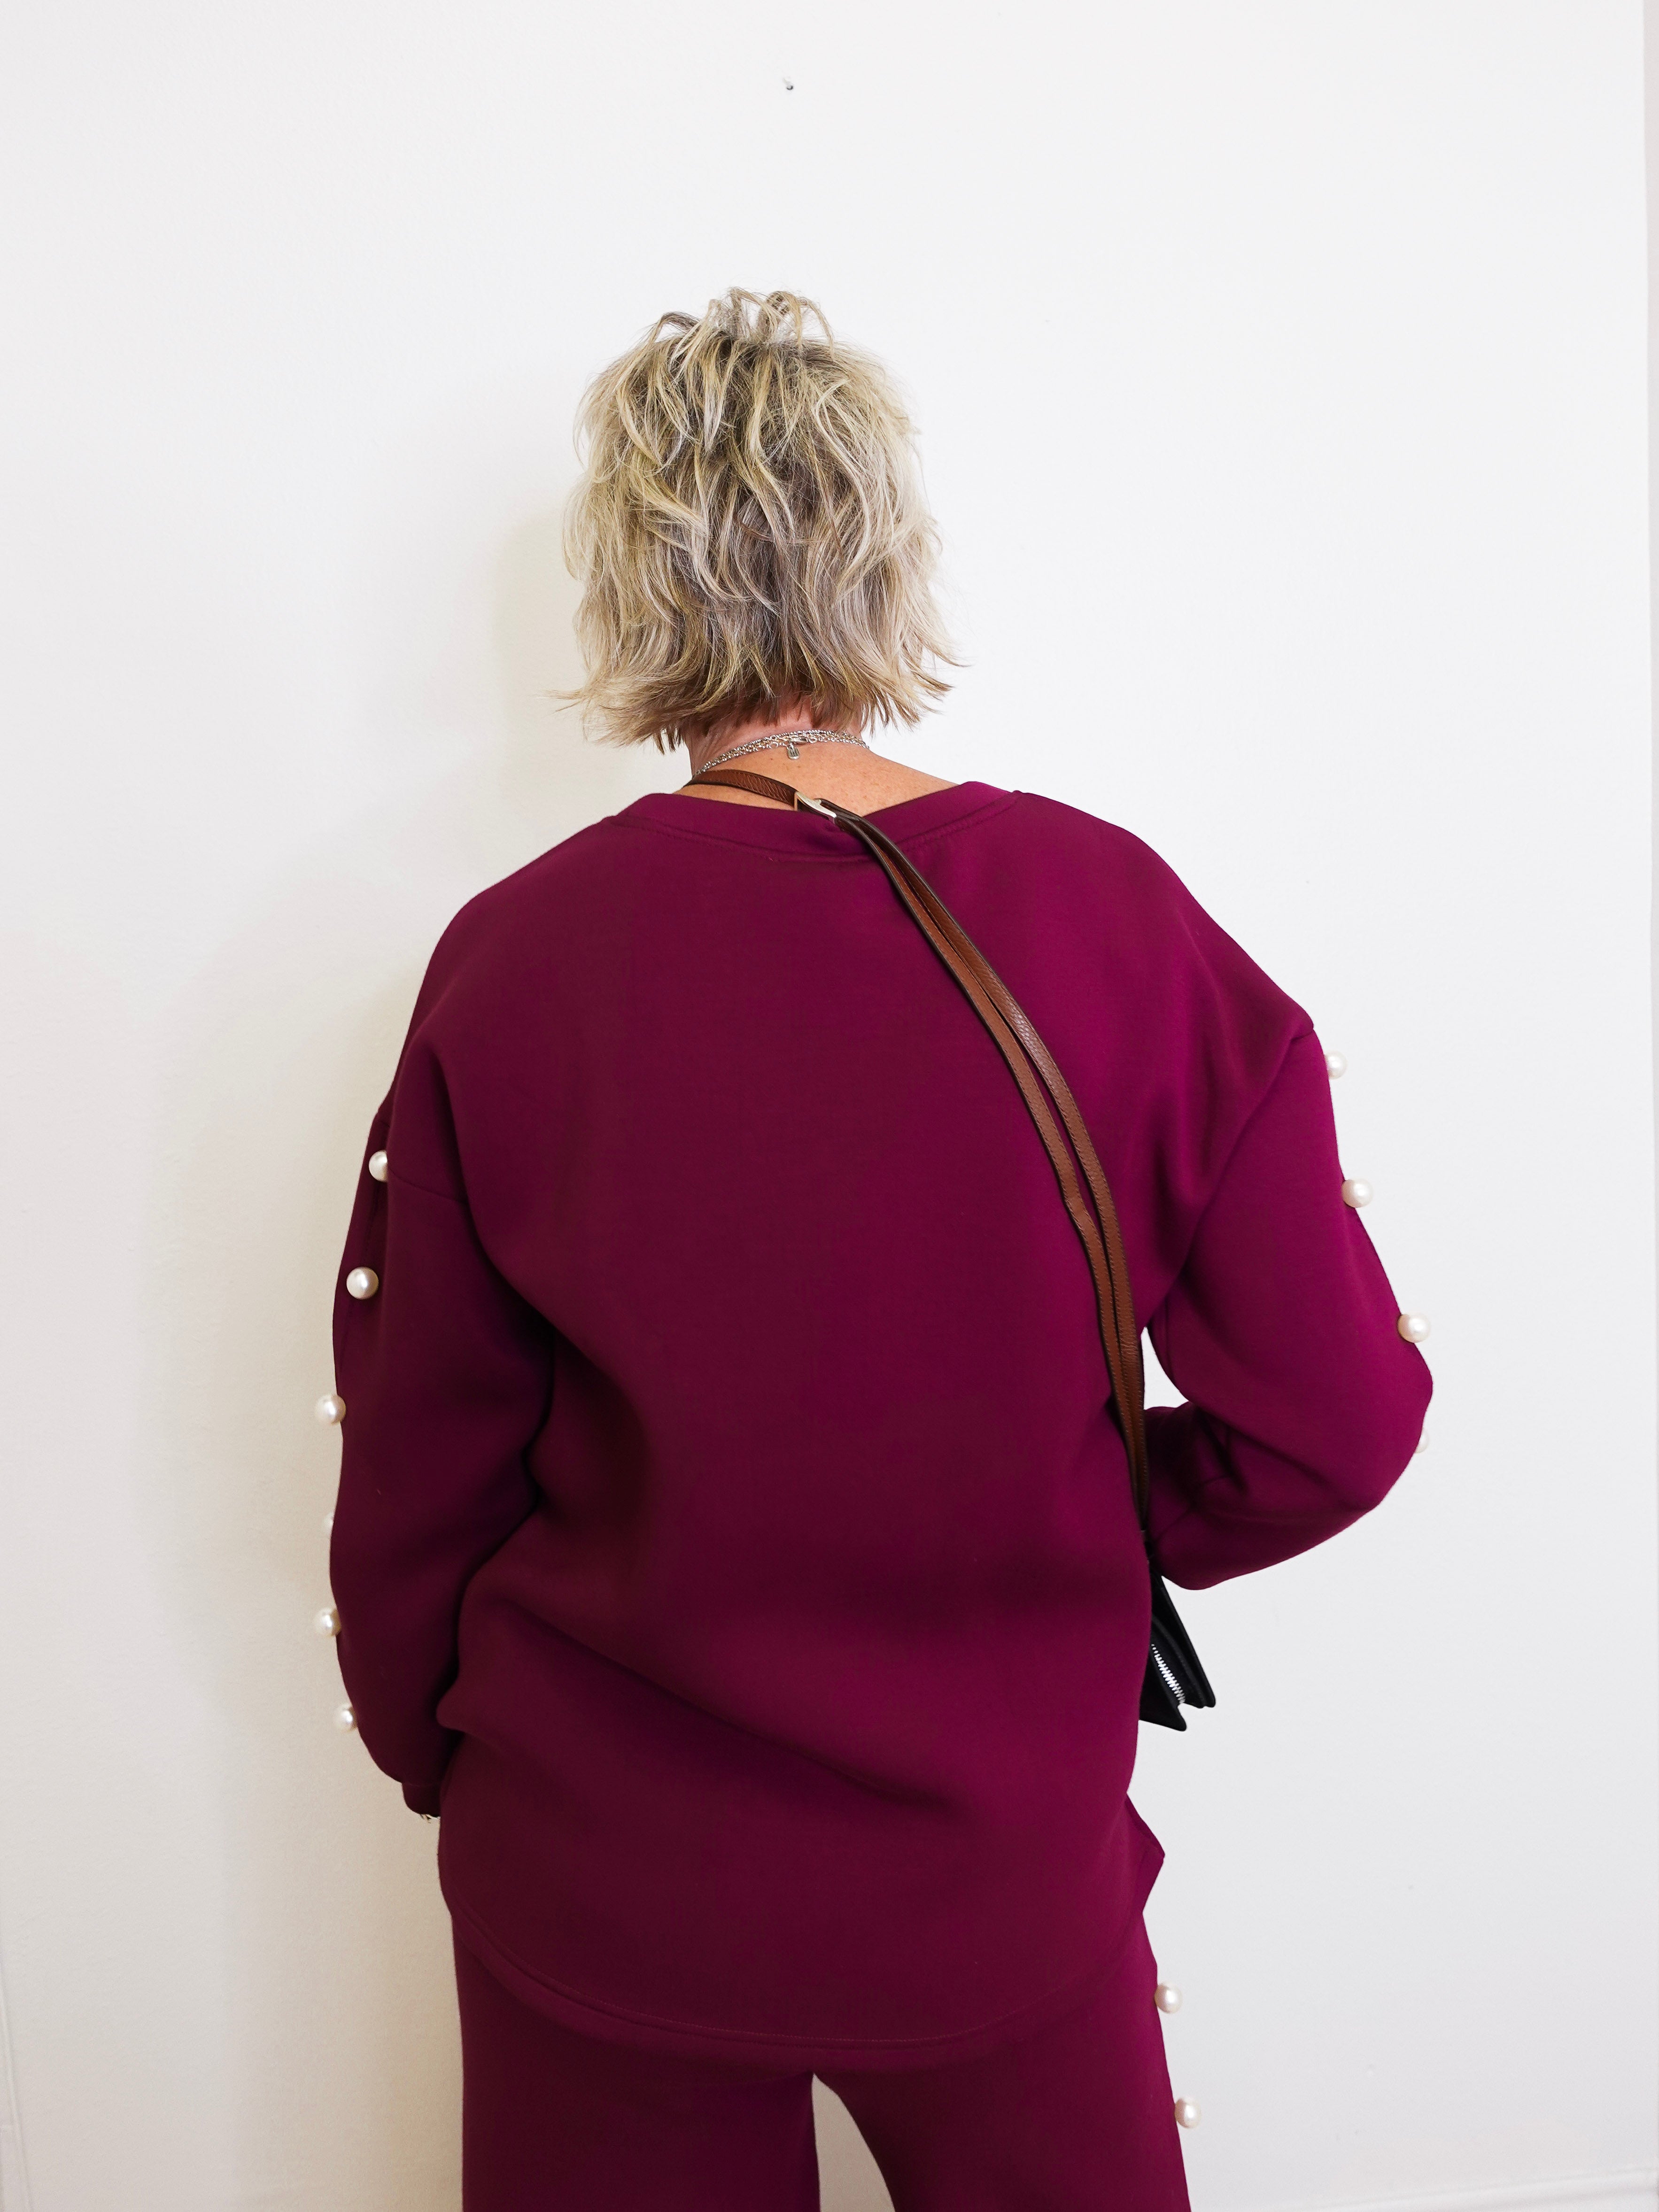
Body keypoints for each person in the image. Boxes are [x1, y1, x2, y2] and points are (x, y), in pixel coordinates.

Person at [326, 289, 1432, 2210]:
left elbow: (421, 1465)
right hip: (995, 1874)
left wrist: (458, 1759)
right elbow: (1333, 1423)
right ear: (886, 559)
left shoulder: (514, 961)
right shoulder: (1116, 918)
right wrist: (1092, 1529)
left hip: (599, 1873)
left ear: (628, 585)